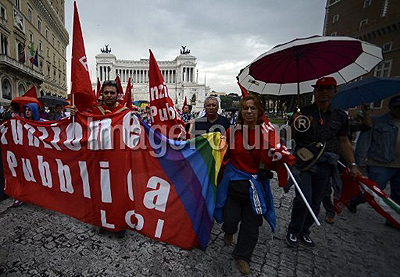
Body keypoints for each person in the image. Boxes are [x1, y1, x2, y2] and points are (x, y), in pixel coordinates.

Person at [286, 77, 361, 248]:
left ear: (334, 91)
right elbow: (288, 137)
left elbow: (344, 142)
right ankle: (293, 229)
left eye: (328, 88)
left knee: (316, 201)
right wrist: (295, 124)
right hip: (304, 164)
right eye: (320, 89)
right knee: (302, 199)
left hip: (326, 165)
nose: (324, 92)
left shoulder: (340, 116)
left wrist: (353, 164)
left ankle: (305, 231)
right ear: (314, 92)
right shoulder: (303, 113)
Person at [215, 94, 276, 275]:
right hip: (234, 184)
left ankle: (243, 256)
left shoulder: (268, 135)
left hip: (254, 188)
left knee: (251, 226)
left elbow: (273, 158)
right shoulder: (232, 132)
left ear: (259, 112)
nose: (249, 111)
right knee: (230, 219)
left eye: (253, 108)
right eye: (245, 108)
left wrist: (274, 162)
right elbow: (222, 153)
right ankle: (228, 230)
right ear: (241, 112)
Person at [350, 95, 400, 225]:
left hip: (398, 164)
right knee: (374, 190)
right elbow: (363, 144)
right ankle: (354, 200)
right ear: (391, 108)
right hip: (380, 163)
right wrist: (358, 164)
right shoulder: (377, 122)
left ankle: (393, 219)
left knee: (398, 194)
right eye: (397, 108)